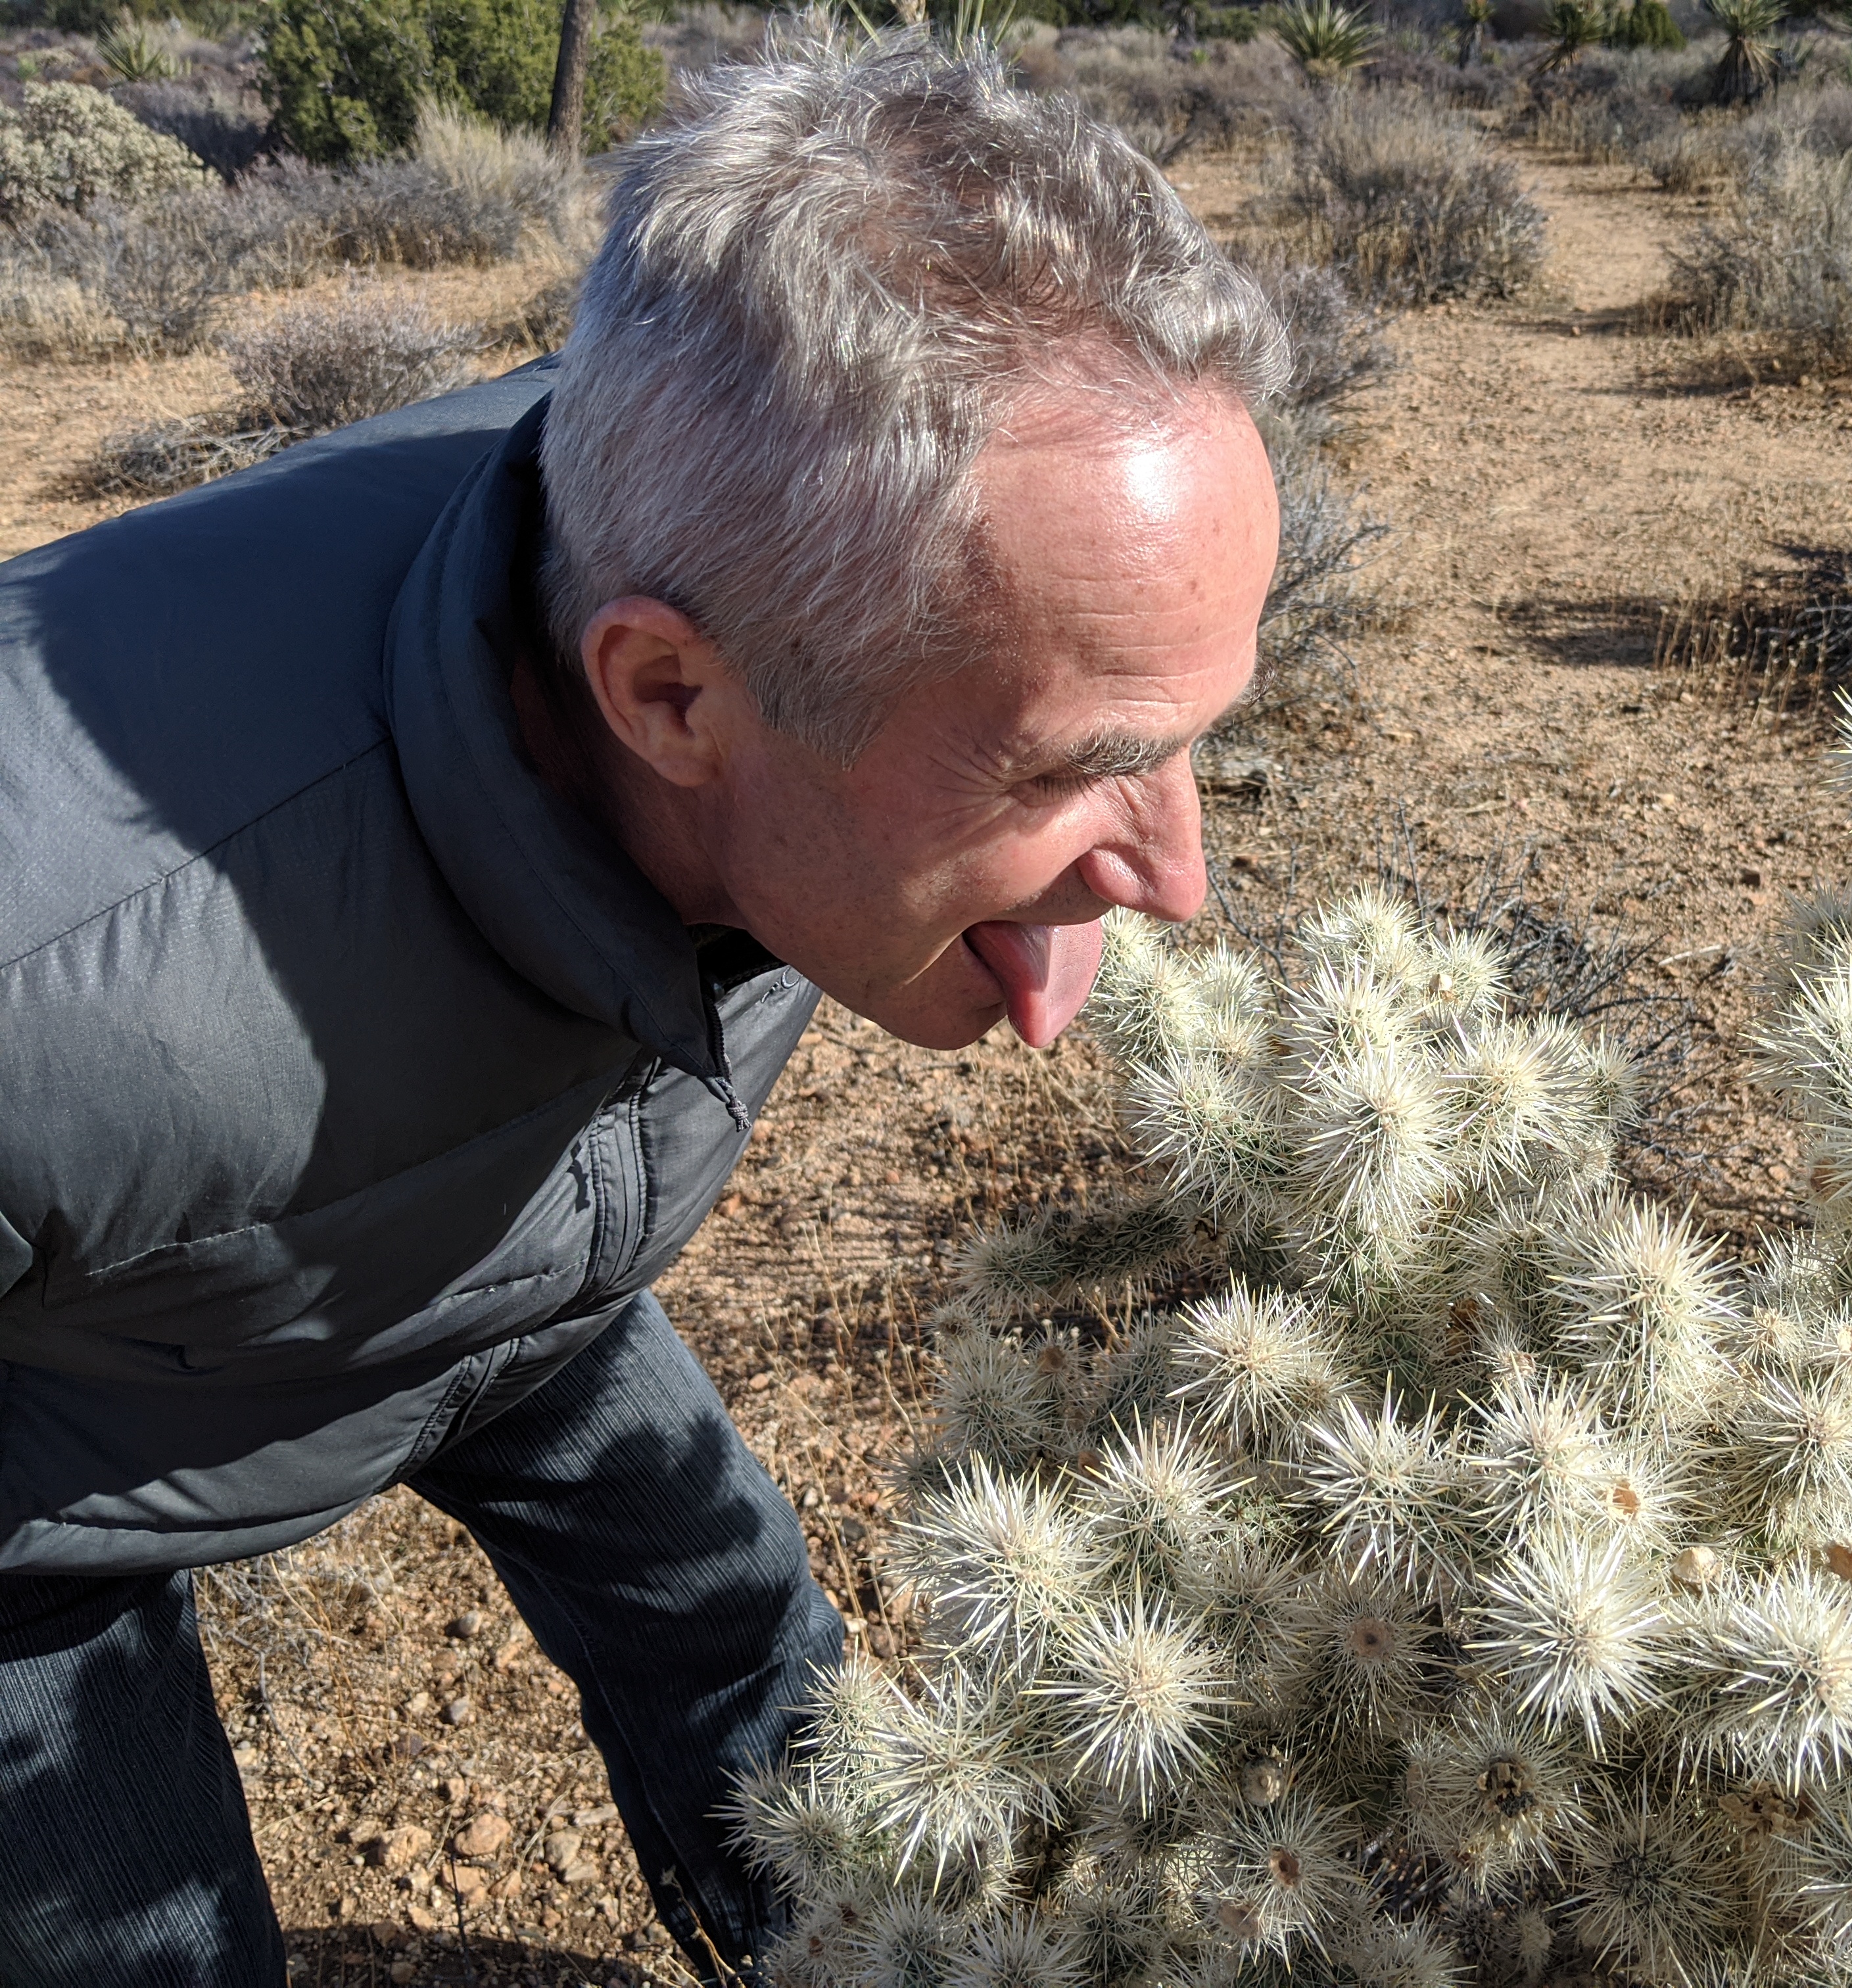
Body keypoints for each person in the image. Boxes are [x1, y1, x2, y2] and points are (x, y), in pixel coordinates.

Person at [0, 32, 1285, 1986]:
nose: (1178, 875)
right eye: (1068, 772)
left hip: (513, 1260)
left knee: (759, 1667)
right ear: (668, 699)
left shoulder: (755, 500)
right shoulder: (66, 981)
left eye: (1198, 744)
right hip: (57, 1475)